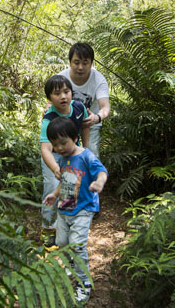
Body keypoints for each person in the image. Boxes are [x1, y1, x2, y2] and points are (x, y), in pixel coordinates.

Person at [42, 117, 108, 304]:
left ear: (75, 137)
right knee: (62, 243)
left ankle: (84, 284)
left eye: (63, 142)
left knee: (77, 246)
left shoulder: (86, 156)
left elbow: (102, 171)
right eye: (55, 145)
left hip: (83, 209)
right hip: (65, 209)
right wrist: (55, 195)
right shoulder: (63, 159)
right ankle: (73, 264)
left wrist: (99, 182)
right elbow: (65, 180)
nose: (60, 148)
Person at [39, 75, 89, 251]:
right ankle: (48, 229)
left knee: (69, 191)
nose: (63, 97)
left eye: (66, 92)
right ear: (49, 98)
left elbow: (84, 127)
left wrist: (86, 151)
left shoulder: (78, 107)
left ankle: (66, 229)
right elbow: (45, 149)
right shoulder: (49, 118)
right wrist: (54, 169)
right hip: (53, 156)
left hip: (72, 154)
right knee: (52, 188)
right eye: (57, 93)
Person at [58, 42, 110, 158]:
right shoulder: (61, 78)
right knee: (65, 154)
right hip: (67, 122)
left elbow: (105, 107)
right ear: (70, 62)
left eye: (85, 63)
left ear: (91, 63)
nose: (80, 67)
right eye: (76, 62)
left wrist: (97, 117)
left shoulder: (99, 80)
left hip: (91, 122)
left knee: (91, 155)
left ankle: (92, 175)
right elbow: (51, 102)